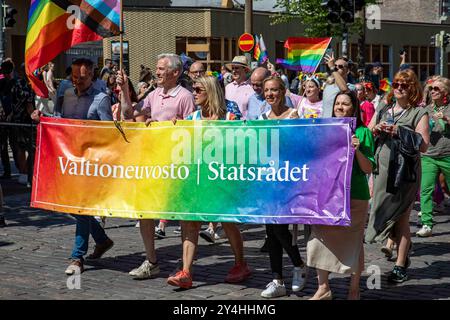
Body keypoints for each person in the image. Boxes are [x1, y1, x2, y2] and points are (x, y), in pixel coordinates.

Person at [31, 58, 115, 275]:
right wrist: (43, 118)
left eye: (83, 78)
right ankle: (102, 239)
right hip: (68, 159)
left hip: (90, 163)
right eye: (74, 77)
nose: (77, 82)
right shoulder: (66, 92)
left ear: (92, 75)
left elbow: (109, 135)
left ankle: (77, 257)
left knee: (81, 206)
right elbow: (59, 120)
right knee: (73, 207)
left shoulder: (101, 98)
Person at [166, 75, 251, 289]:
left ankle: (241, 263)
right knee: (190, 222)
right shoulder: (193, 117)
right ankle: (186, 272)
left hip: (222, 179)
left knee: (227, 221)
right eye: (193, 88)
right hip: (197, 180)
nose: (193, 92)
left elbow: (242, 145)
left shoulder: (230, 117)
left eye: (197, 89)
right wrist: (170, 127)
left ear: (210, 92)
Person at [117, 53, 195, 279]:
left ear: (175, 73)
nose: (157, 72)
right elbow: (129, 113)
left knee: (183, 216)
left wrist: (169, 127)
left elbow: (192, 130)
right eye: (157, 68)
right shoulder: (154, 94)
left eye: (161, 69)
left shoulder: (185, 97)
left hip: (177, 166)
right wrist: (123, 90)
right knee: (145, 211)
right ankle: (151, 261)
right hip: (154, 163)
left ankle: (185, 267)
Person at [307, 91, 375, 300]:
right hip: (326, 194)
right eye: (338, 103)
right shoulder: (325, 128)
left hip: (355, 195)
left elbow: (368, 169)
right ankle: (323, 288)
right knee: (319, 237)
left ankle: (354, 289)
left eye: (345, 104)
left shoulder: (363, 132)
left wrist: (357, 150)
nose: (340, 107)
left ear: (354, 108)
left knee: (353, 242)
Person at [366, 69, 430, 283]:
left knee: (401, 218)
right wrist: (376, 129)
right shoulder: (384, 107)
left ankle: (400, 264)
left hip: (404, 174)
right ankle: (402, 248)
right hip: (382, 170)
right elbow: (368, 129)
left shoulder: (419, 113)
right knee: (384, 213)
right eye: (396, 84)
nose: (399, 88)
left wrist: (399, 132)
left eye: (405, 85)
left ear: (413, 89)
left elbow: (424, 145)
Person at [258, 76, 306, 299]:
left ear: (283, 91)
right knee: (270, 232)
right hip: (268, 181)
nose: (270, 94)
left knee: (279, 229)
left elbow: (302, 146)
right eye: (267, 90)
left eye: (274, 90)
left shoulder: (294, 115)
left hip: (288, 180)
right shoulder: (262, 116)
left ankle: (298, 265)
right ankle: (277, 279)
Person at [417, 77, 450, 237]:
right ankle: (427, 224)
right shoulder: (426, 110)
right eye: (432, 89)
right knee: (426, 189)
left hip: (447, 155)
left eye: (437, 89)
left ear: (446, 92)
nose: (433, 91)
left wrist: (446, 119)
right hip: (429, 155)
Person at [322, 52, 355, 118]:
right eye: (335, 65)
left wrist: (332, 68)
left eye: (340, 66)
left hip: (341, 124)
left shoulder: (351, 87)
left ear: (347, 71)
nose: (336, 68)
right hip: (326, 124)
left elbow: (345, 90)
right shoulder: (327, 86)